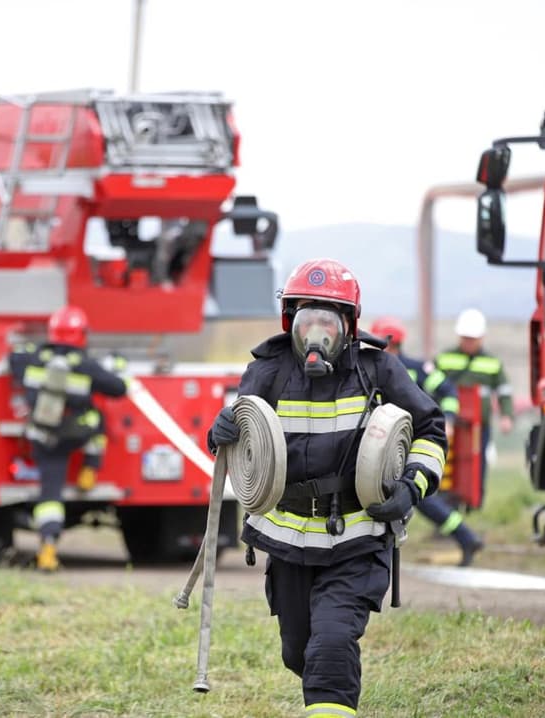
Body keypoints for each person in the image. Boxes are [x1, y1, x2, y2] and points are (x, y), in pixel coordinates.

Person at [207, 258, 447, 717]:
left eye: (327, 322)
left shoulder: (378, 369)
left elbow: (430, 429)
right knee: (299, 652)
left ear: (349, 327)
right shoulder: (267, 371)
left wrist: (411, 486)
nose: (315, 334)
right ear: (290, 323)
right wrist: (220, 431)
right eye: (306, 321)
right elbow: (243, 441)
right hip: (288, 540)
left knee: (331, 645)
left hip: (358, 537)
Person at [10, 305, 127, 571]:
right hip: (77, 436)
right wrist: (117, 367)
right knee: (98, 420)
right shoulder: (85, 365)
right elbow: (118, 389)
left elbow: (13, 361)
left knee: (50, 495)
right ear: (81, 334)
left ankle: (48, 549)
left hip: (45, 438)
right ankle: (90, 468)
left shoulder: (34, 358)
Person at [369, 317, 484, 567]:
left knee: (416, 494)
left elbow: (448, 391)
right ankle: (465, 537)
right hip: (380, 444)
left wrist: (449, 420)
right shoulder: (371, 368)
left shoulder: (415, 368)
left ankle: (465, 537)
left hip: (409, 443)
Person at [435, 308, 514, 508]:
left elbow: (504, 390)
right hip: (450, 426)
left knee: (477, 466)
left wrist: (506, 416)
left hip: (479, 427)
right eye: (466, 338)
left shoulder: (492, 363)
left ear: (481, 338)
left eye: (473, 339)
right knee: (449, 466)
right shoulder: (445, 358)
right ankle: (447, 505)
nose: (469, 343)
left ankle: (474, 504)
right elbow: (431, 386)